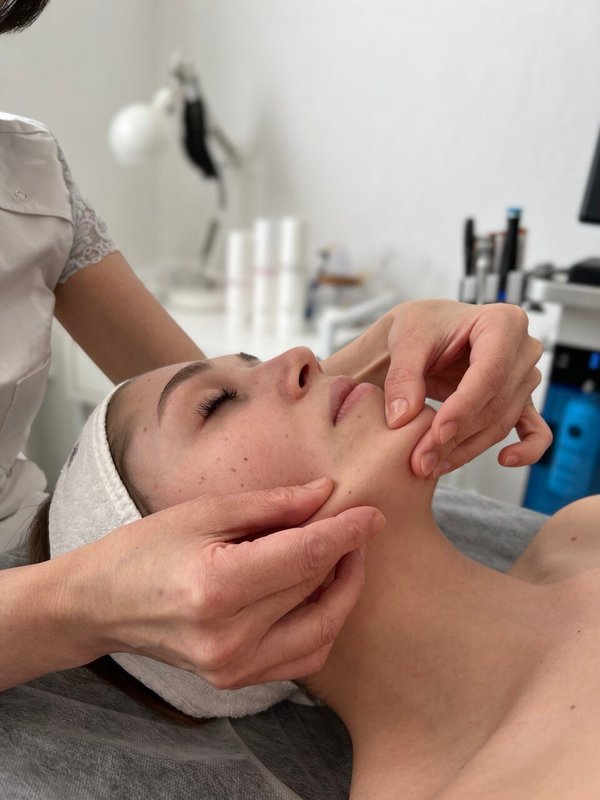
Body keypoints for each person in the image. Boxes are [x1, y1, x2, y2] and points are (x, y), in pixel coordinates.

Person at [31, 347, 598, 797]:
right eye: (217, 403)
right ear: (197, 596)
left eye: (253, 359)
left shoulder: (581, 530)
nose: (301, 355)